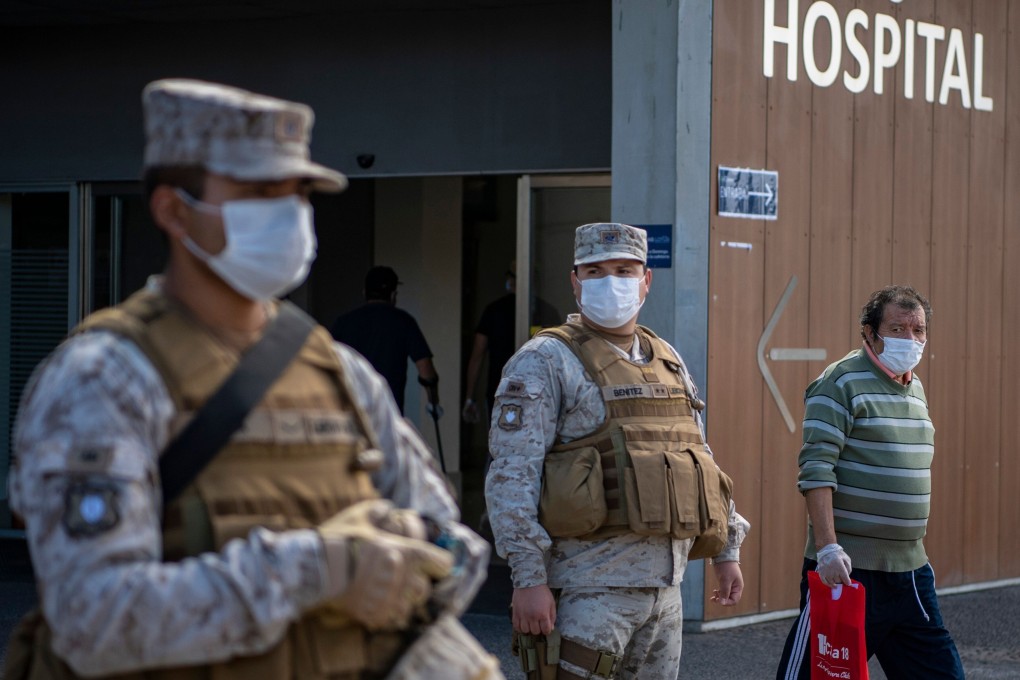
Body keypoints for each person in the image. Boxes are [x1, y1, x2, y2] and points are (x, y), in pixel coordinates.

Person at [4, 78, 499, 680]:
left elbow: (461, 553)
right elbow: (93, 620)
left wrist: (394, 550)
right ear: (173, 209)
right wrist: (321, 570)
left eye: (297, 193)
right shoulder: (104, 379)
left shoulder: (339, 371)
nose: (288, 213)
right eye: (258, 192)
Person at [485, 222, 750, 679]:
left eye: (625, 270)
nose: (611, 281)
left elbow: (698, 455)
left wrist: (728, 547)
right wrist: (528, 579)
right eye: (595, 271)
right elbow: (512, 475)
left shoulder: (665, 357)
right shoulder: (544, 360)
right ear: (575, 281)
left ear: (647, 279)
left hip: (666, 593)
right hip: (588, 589)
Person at [775, 285, 963, 679]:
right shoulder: (839, 382)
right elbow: (816, 469)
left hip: (911, 572)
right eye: (897, 329)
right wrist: (827, 549)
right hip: (848, 571)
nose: (910, 340)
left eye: (918, 331)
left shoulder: (915, 387)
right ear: (869, 332)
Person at [330, 265, 440, 415]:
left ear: (364, 292)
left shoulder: (343, 322)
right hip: (388, 414)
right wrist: (433, 403)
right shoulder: (404, 321)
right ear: (393, 295)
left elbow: (326, 364)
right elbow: (425, 368)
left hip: (351, 411)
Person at [462, 261, 559, 425]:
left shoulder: (545, 312)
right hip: (516, 390)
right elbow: (477, 354)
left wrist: (469, 398)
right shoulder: (495, 311)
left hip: (527, 390)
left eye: (512, 276)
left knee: (503, 443)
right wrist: (469, 398)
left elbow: (477, 355)